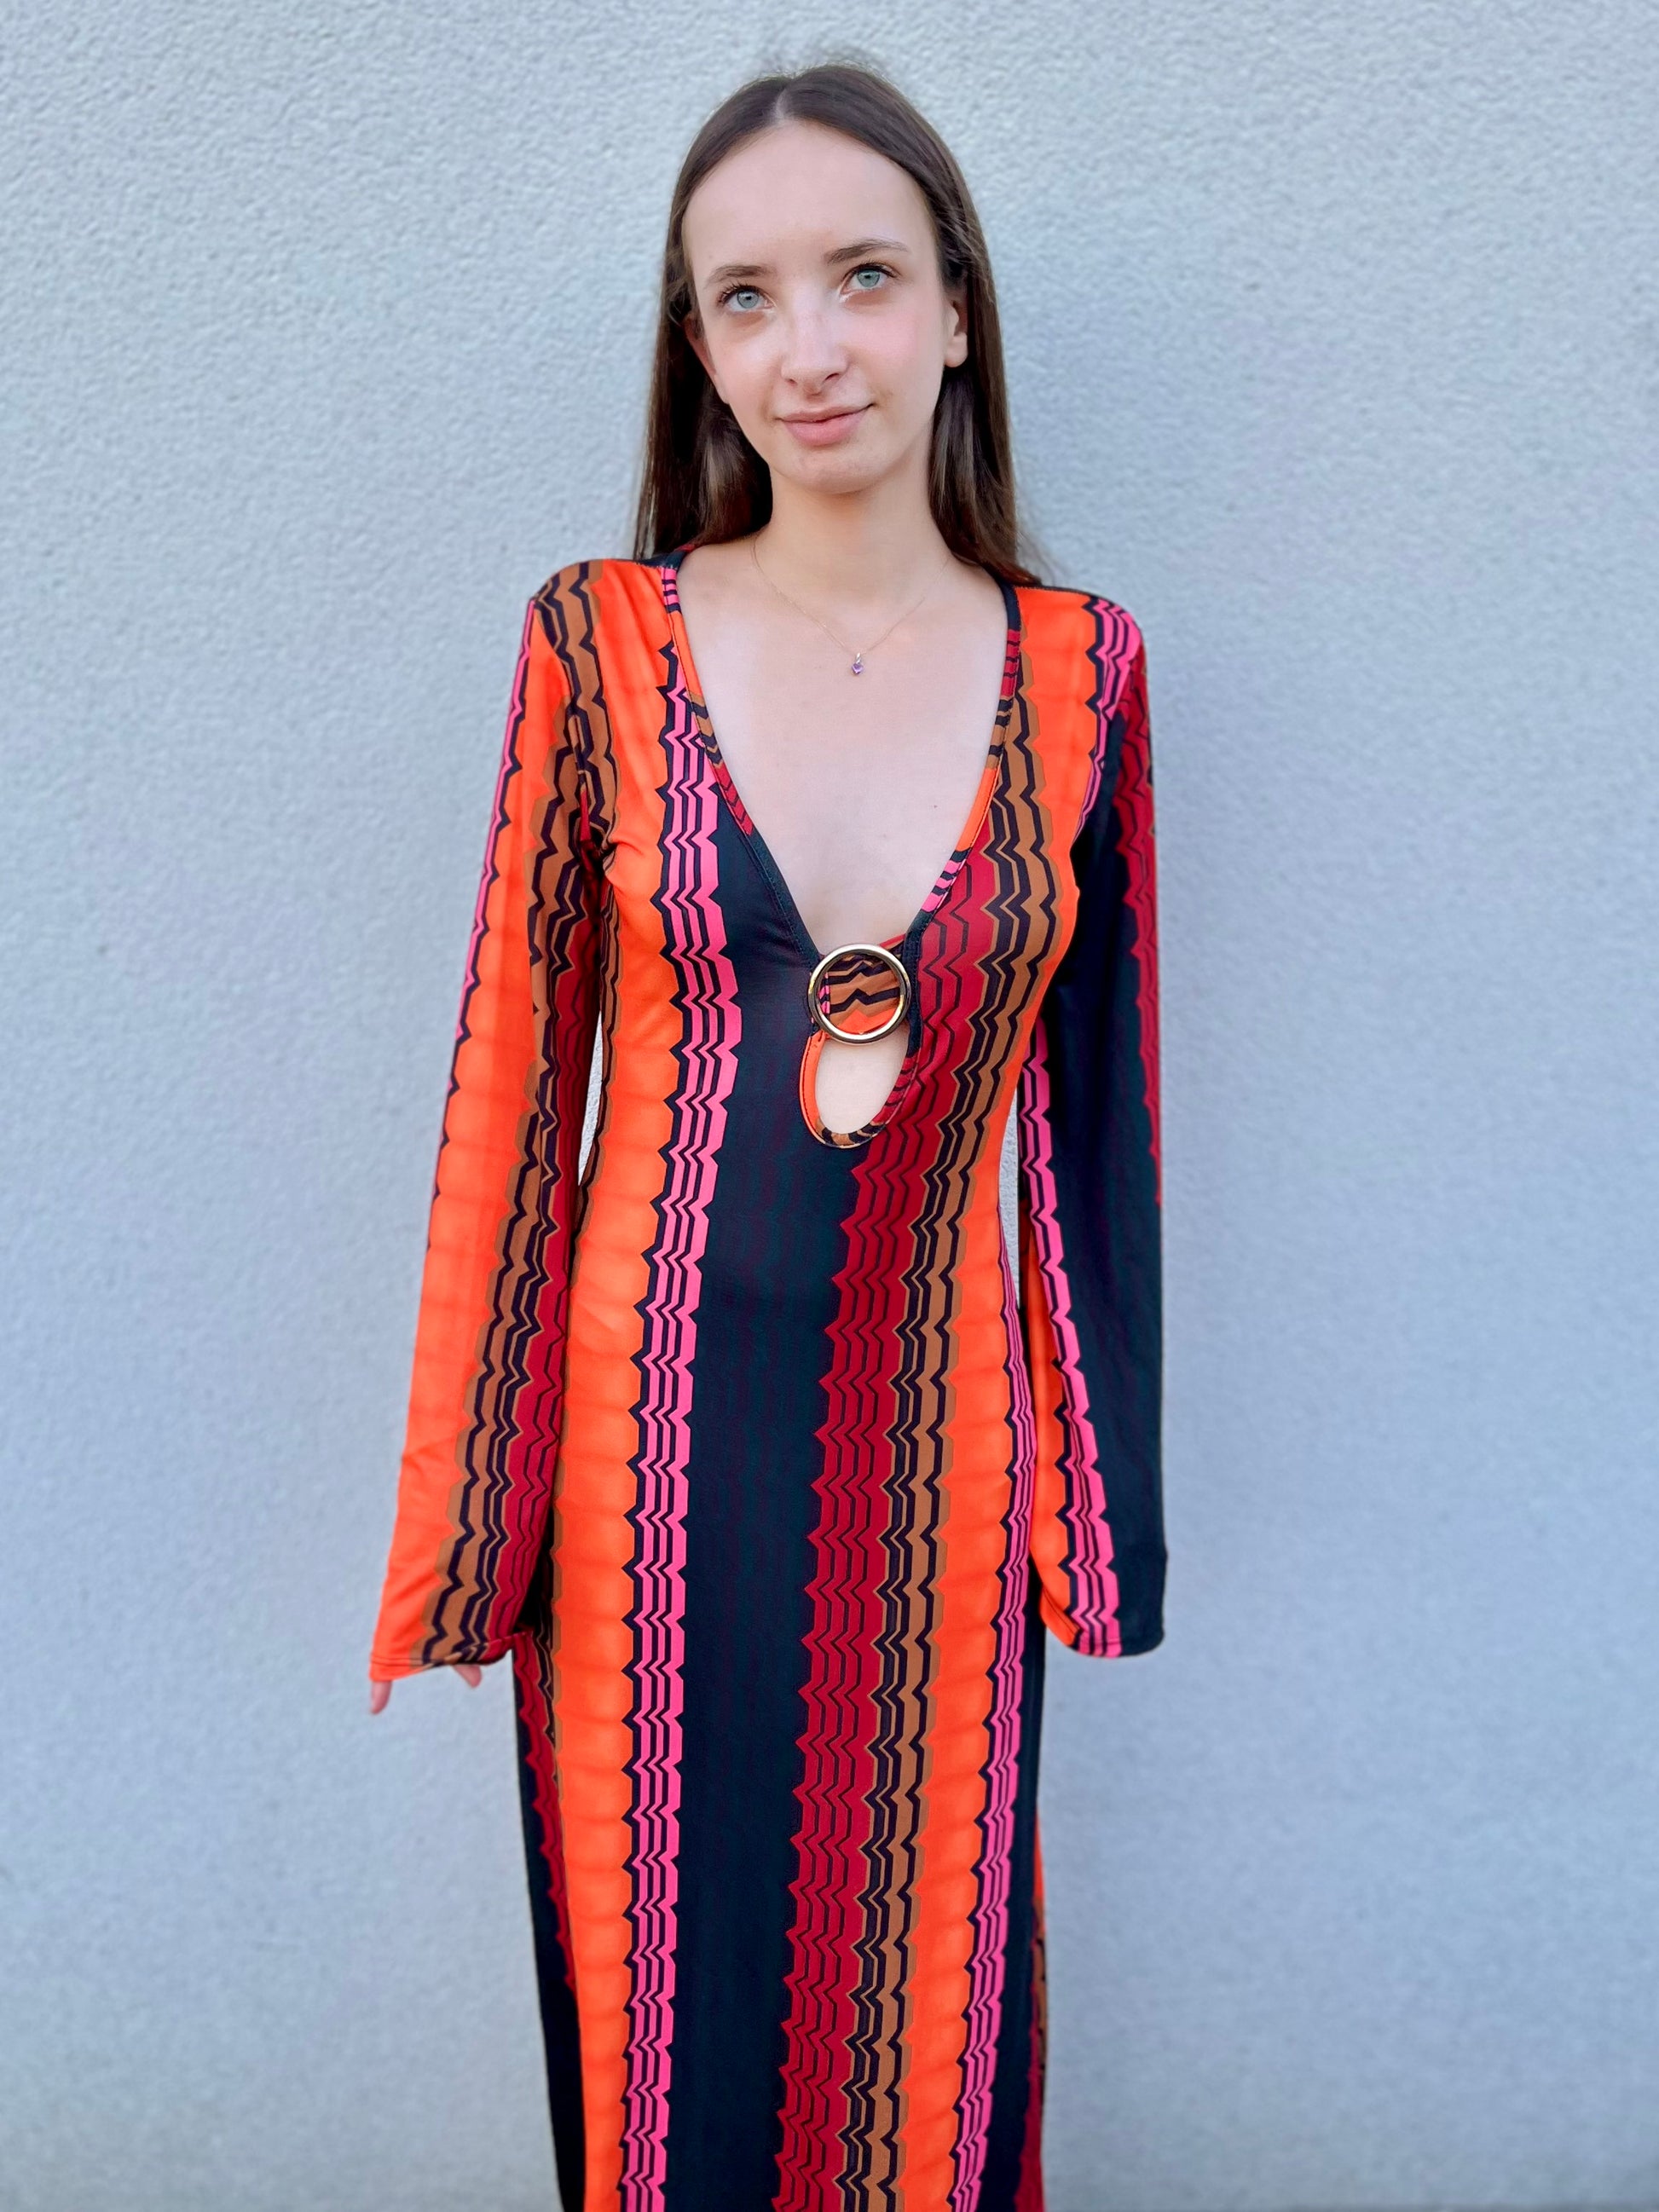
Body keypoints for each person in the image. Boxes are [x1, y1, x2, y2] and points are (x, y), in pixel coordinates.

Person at [368, 61, 1164, 2212]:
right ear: (700, 347)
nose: (809, 345)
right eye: (745, 296)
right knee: (670, 2058)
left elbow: (1094, 1134)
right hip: (637, 1477)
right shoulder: (601, 647)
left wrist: (1097, 1530)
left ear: (958, 310)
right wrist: (467, 1534)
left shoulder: (1083, 674)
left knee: (930, 2036)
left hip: (947, 1469)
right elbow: (510, 1099)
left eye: (862, 277)